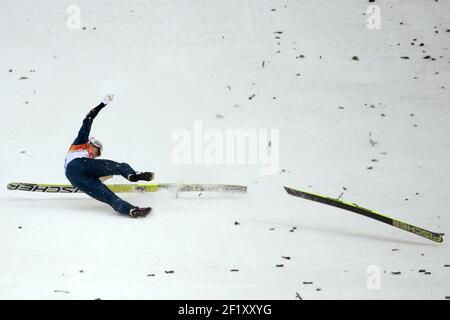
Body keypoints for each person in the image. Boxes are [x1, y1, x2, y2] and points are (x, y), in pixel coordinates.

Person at [64, 95, 153, 218]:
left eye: (98, 154)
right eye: (97, 149)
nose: (96, 155)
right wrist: (102, 104)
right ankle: (132, 175)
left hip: (74, 178)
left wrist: (105, 176)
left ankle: (131, 210)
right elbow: (87, 120)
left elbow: (98, 178)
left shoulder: (88, 161)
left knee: (108, 196)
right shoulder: (81, 142)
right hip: (77, 164)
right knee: (118, 166)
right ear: (91, 143)